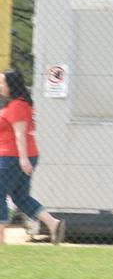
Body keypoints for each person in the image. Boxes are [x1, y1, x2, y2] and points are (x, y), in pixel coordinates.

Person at [0, 68, 65, 245]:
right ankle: (53, 223)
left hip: (13, 157)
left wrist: (23, 159)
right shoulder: (17, 104)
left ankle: (1, 239)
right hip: (18, 156)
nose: (0, 85)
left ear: (11, 85)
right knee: (20, 197)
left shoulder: (17, 106)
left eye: (2, 82)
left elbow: (20, 134)